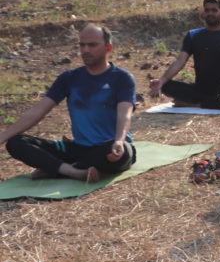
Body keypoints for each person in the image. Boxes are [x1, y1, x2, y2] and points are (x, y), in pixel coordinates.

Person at [1, 25, 136, 183]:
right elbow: (37, 112)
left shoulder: (122, 78)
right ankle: (74, 171)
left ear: (108, 48)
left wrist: (119, 140)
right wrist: (2, 137)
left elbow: (124, 114)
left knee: (121, 153)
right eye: (82, 45)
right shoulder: (69, 78)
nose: (85, 50)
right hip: (78, 149)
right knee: (16, 143)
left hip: (109, 148)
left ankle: (55, 168)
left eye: (92, 45)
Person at [148, 0, 220, 109]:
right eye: (207, 10)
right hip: (199, 88)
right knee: (166, 85)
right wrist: (161, 81)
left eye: (214, 10)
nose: (210, 13)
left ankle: (194, 103)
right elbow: (180, 61)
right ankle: (207, 102)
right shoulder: (193, 35)